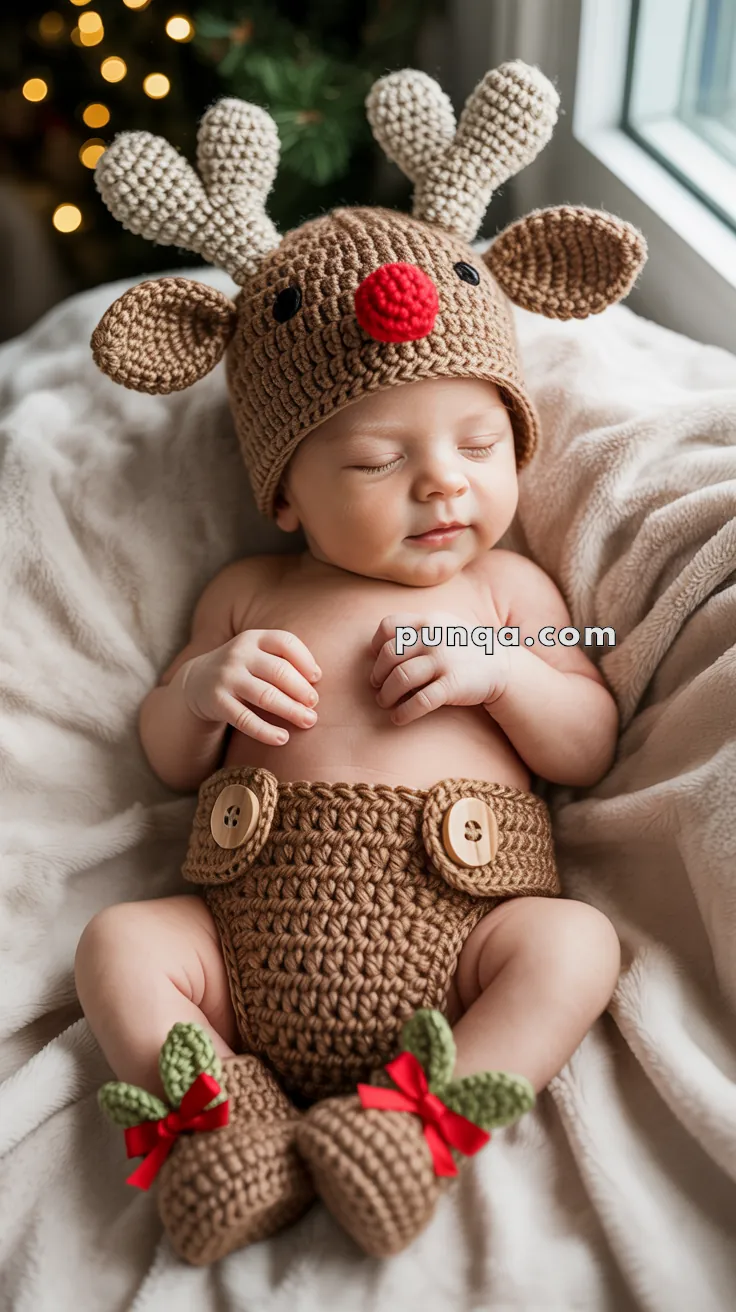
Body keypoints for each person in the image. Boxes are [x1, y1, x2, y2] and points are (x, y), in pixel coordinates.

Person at [73, 60, 647, 1266]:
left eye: (479, 442)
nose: (443, 481)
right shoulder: (249, 592)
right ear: (281, 493)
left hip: (465, 939)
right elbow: (168, 757)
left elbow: (586, 736)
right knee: (120, 944)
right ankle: (218, 1127)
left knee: (575, 946)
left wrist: (506, 672)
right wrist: (198, 691)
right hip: (241, 953)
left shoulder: (508, 592)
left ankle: (415, 1127)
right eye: (378, 461)